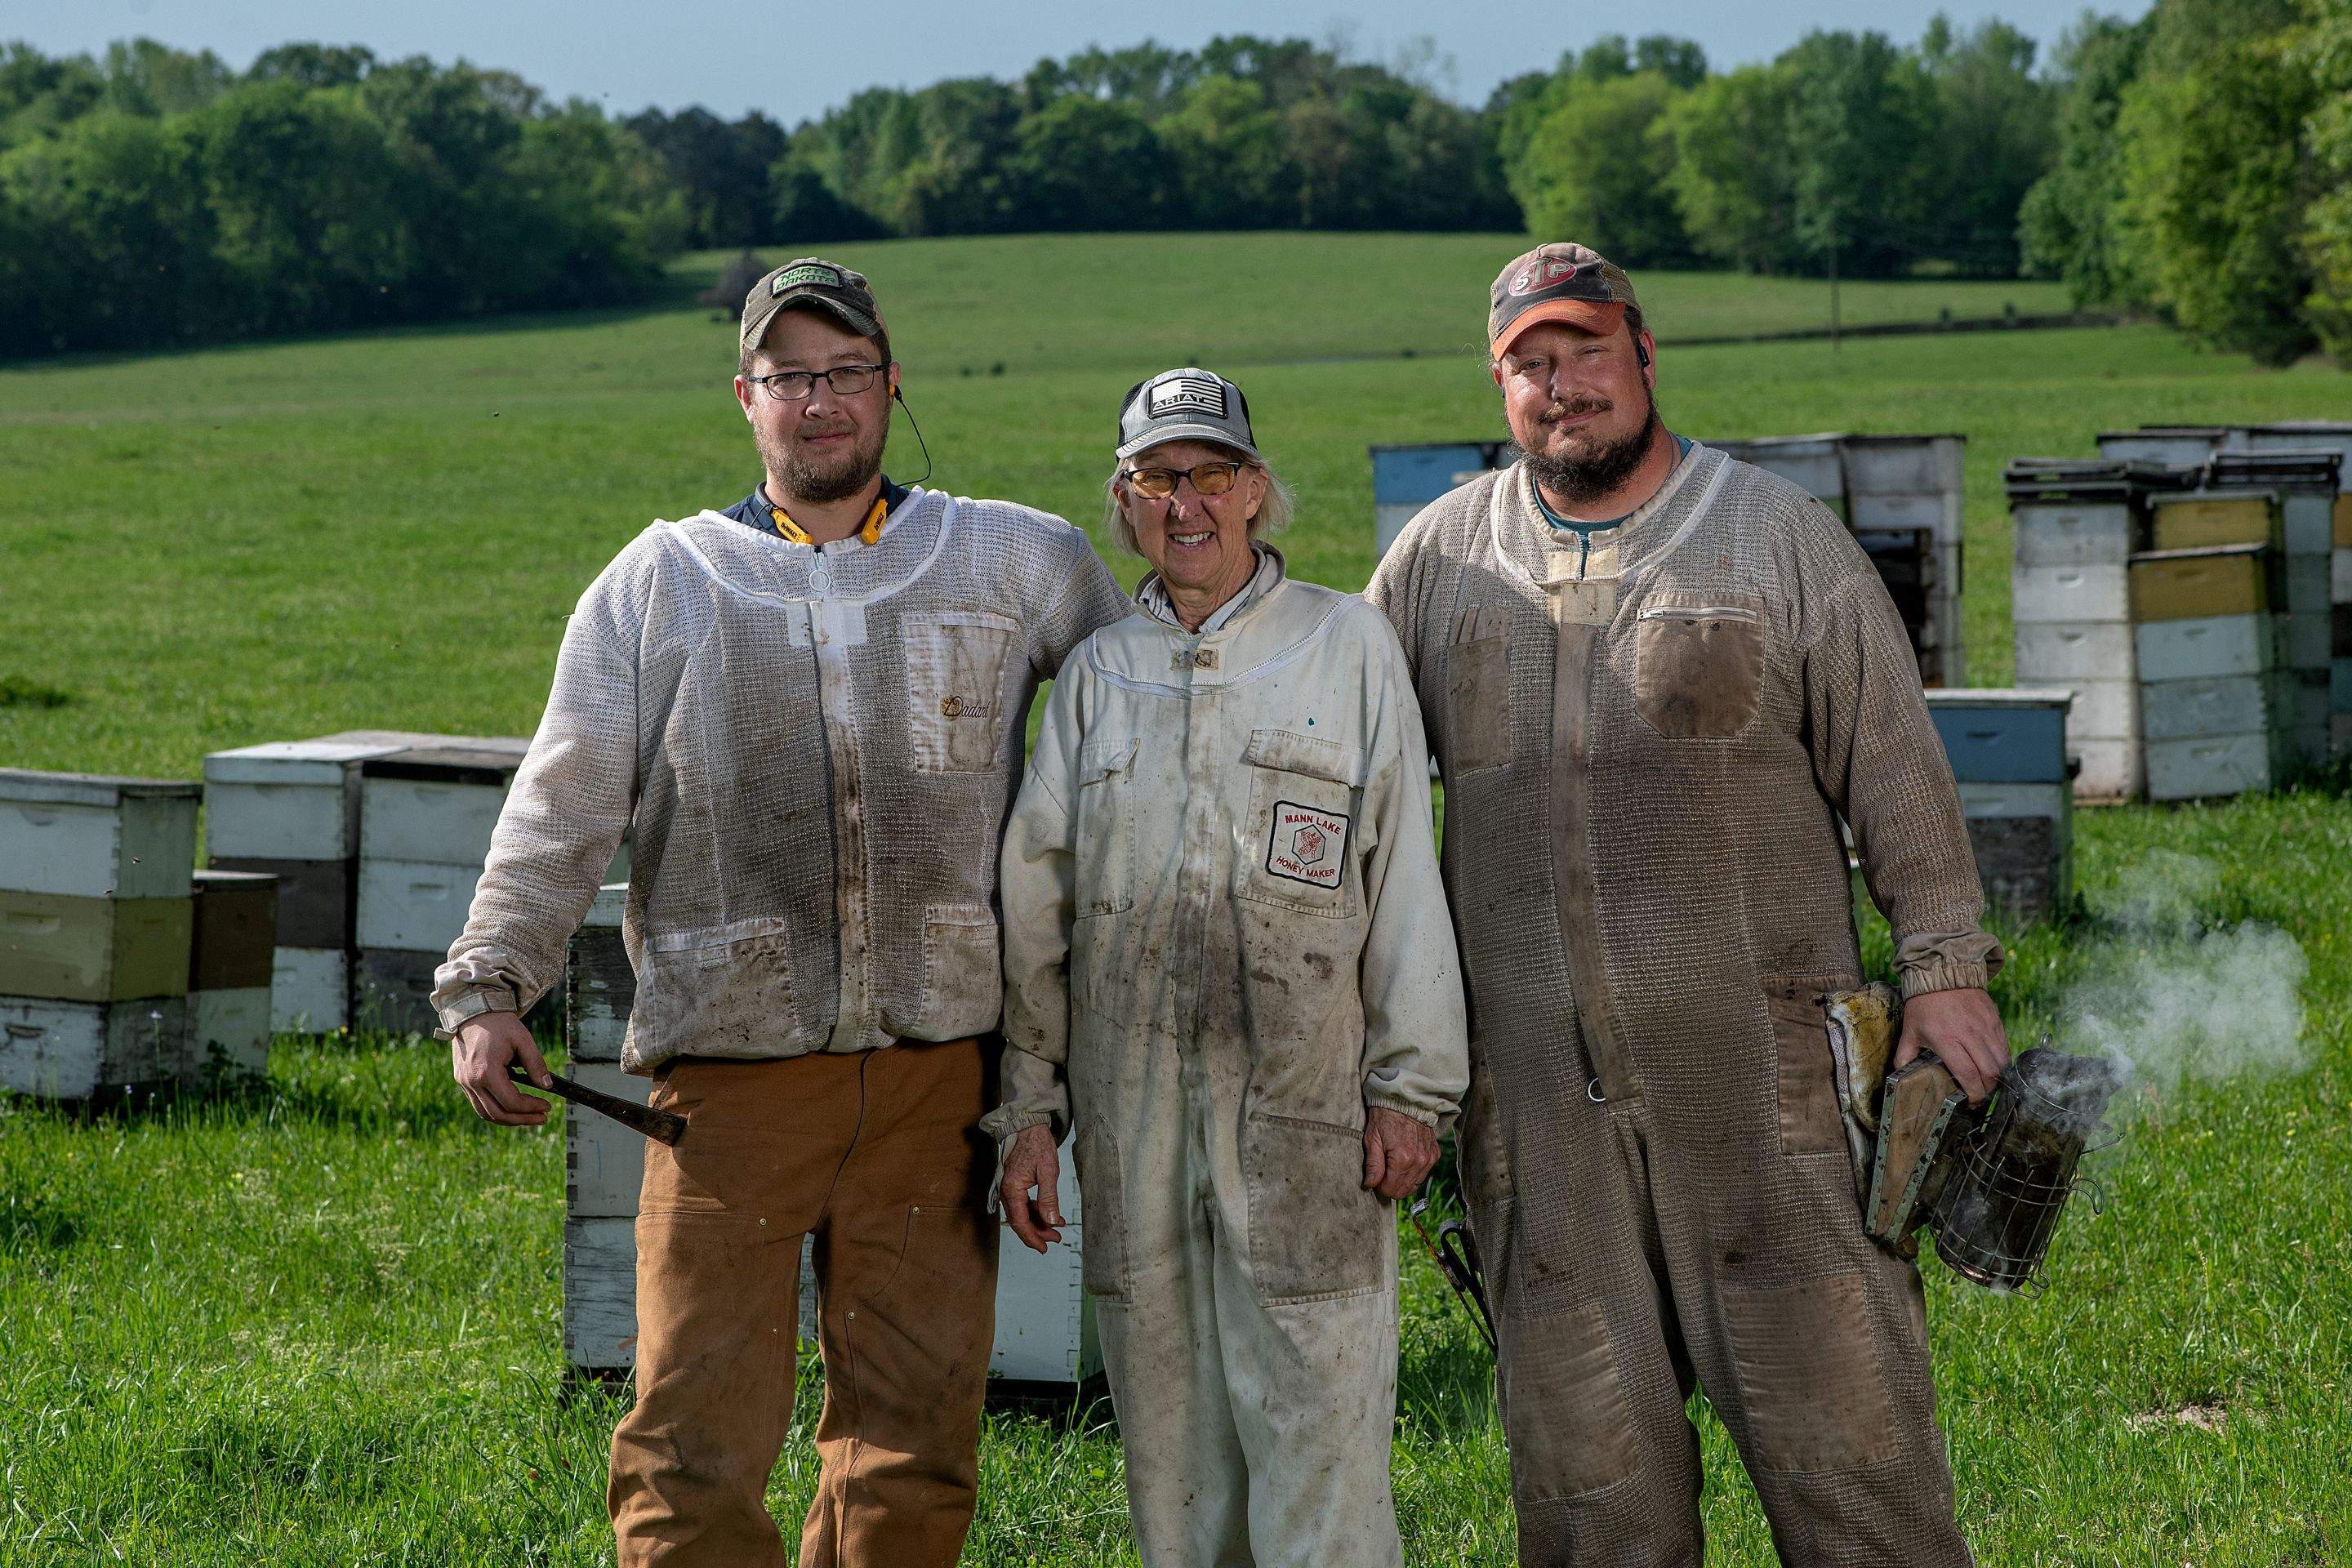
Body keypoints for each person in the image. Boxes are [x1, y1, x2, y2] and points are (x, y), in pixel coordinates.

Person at [439, 256, 1130, 1567]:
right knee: (693, 1444)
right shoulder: (664, 582)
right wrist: (489, 986)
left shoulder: (1013, 558)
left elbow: (1144, 710)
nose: (822, 402)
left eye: (847, 373)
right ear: (744, 396)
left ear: (891, 384)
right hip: (734, 1084)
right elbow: (565, 798)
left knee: (916, 1443)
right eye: (790, 377)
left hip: (942, 1080)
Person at [1366, 243, 2011, 1565]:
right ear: (1499, 387)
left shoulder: (1775, 537)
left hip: (1770, 1102)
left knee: (1858, 1483)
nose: (1564, 388)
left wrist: (1945, 964)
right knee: (1591, 1510)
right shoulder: (1437, 563)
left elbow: (1893, 760)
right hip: (1537, 1115)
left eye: (1586, 353)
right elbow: (1350, 769)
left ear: (1645, 355)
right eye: (1531, 366)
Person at [990, 368, 1469, 1568]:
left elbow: (1405, 871)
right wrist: (1030, 1113)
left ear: (1257, 491)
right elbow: (1035, 907)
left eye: (1210, 474)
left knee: (1321, 1441)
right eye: (1157, 479)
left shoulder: (1345, 646)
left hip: (1309, 1118)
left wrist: (1414, 1089)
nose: (1185, 503)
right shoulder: (1099, 677)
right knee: (1172, 1455)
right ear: (1125, 502)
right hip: (1133, 1113)